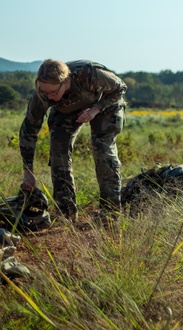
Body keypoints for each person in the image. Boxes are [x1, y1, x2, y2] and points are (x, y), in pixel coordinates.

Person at [18, 59, 128, 221]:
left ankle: (110, 213)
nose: (49, 96)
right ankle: (66, 212)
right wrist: (28, 170)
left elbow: (120, 88)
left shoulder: (90, 75)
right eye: (45, 92)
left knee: (103, 151)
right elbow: (29, 130)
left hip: (104, 103)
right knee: (58, 153)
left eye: (53, 92)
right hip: (67, 108)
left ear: (66, 81)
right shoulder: (44, 94)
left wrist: (95, 110)